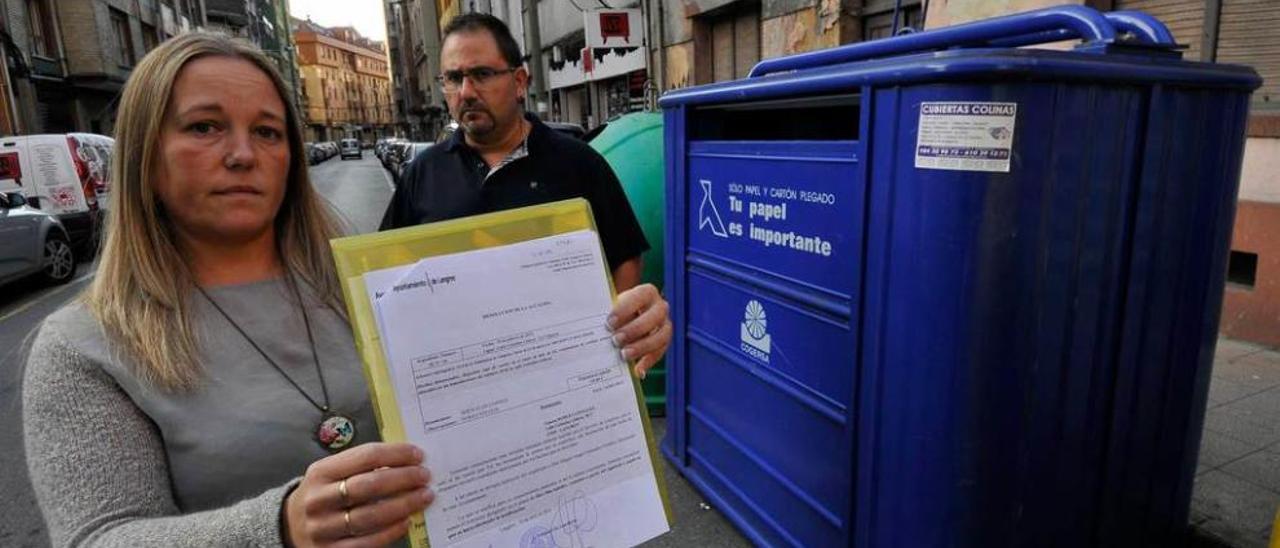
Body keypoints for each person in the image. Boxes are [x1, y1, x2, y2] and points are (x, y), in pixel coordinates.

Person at [23, 32, 672, 547]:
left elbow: (498, 370)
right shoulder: (82, 350)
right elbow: (101, 535)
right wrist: (279, 529)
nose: (244, 153)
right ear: (143, 152)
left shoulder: (360, 287)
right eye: (204, 127)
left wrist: (611, 334)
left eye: (269, 132)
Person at [380, 13, 649, 291]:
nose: (466, 92)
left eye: (482, 74)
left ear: (519, 82)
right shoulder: (423, 173)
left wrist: (611, 326)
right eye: (453, 77)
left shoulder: (580, 163)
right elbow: (385, 269)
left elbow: (624, 257)